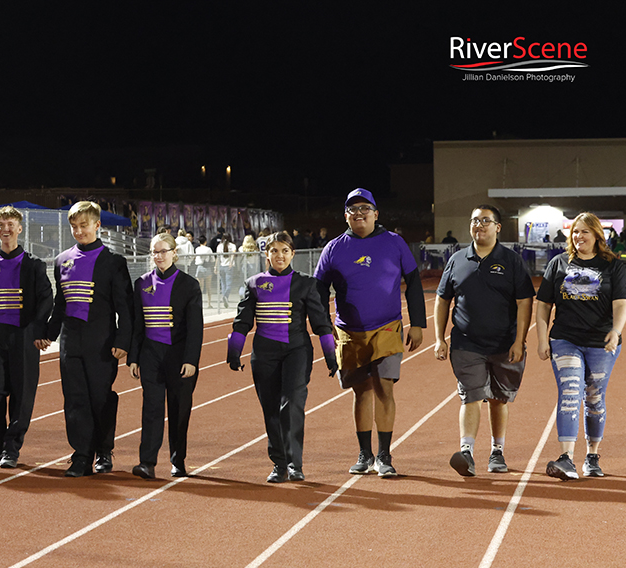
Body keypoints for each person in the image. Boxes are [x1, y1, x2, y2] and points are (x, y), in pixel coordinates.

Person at [313, 188, 426, 478]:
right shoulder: (333, 248)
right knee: (360, 390)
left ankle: (385, 455)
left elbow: (413, 282)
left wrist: (418, 323)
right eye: (353, 209)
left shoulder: (394, 243)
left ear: (376, 214)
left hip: (387, 327)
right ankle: (365, 454)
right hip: (348, 332)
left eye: (365, 208)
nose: (359, 213)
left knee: (383, 388)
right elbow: (318, 292)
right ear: (346, 216)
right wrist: (324, 330)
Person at [434, 205, 535, 476]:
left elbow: (525, 300)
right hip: (467, 343)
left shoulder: (512, 260)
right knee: (472, 395)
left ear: (498, 227)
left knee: (499, 399)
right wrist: (439, 338)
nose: (479, 225)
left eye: (485, 221)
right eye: (474, 221)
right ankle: (466, 452)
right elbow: (443, 299)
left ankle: (497, 451)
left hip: (504, 342)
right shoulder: (457, 260)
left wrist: (519, 340)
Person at [228, 232, 337, 482]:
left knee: (292, 404)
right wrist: (234, 350)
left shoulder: (306, 284)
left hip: (297, 351)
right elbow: (242, 322)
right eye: (275, 250)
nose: (280, 255)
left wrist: (330, 355)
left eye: (285, 251)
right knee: (271, 409)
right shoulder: (253, 284)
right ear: (266, 254)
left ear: (292, 254)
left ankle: (294, 463)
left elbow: (321, 324)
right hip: (264, 354)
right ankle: (279, 464)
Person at [536, 212, 626, 480]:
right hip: (565, 339)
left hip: (601, 343)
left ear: (597, 235)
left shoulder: (613, 265)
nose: (578, 237)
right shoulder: (559, 263)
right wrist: (542, 339)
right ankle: (566, 458)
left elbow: (621, 303)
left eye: (584, 232)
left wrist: (616, 330)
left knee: (594, 398)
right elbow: (543, 305)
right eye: (575, 232)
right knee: (570, 392)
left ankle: (592, 457)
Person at [45, 200, 133, 477]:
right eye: (74, 226)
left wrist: (123, 341)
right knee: (74, 399)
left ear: (97, 225)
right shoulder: (62, 260)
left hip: (102, 342)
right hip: (71, 341)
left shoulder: (114, 262)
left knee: (100, 398)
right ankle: (81, 454)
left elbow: (125, 308)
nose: (79, 231)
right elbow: (61, 304)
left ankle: (103, 451)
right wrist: (47, 333)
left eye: (84, 225)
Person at [0, 206, 53, 469]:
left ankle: (11, 448)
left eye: (11, 225)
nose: (6, 229)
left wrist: (40, 330)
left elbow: (45, 299)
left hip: (24, 336)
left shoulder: (33, 265)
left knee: (21, 394)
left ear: (19, 228)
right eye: (1, 225)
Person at [128, 233, 203, 479]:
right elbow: (137, 325)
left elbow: (195, 328)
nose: (159, 256)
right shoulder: (141, 283)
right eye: (155, 252)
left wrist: (191, 360)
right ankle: (147, 462)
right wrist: (134, 357)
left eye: (164, 251)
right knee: (151, 407)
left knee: (179, 409)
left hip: (179, 356)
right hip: (151, 355)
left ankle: (177, 460)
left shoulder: (189, 285)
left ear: (174, 253)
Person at [194, 235, 215, 308]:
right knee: (208, 287)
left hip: (199, 267)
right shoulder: (208, 249)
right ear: (205, 242)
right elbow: (212, 259)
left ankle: (199, 303)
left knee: (200, 287)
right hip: (207, 267)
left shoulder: (197, 249)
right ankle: (209, 303)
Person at [216, 234, 236, 308]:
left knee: (223, 283)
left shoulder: (219, 246)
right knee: (229, 284)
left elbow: (217, 257)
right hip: (229, 266)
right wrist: (231, 262)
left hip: (221, 266)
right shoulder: (232, 245)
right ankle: (226, 296)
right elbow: (233, 254)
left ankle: (224, 297)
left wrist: (216, 266)